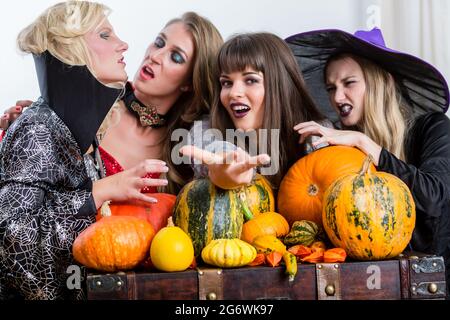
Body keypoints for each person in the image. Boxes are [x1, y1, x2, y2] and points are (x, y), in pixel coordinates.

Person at [0, 1, 168, 300]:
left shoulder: (85, 134)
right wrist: (98, 192)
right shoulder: (37, 128)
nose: (124, 45)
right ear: (69, 51)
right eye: (105, 35)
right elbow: (11, 240)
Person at [288, 28, 450, 295]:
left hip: (433, 286)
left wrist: (365, 144)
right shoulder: (339, 150)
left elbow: (434, 196)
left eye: (348, 83)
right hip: (369, 285)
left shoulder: (432, 128)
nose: (338, 97)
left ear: (381, 81)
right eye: (331, 88)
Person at [1, 12, 223, 196]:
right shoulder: (90, 101)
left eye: (176, 57)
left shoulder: (185, 146)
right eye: (159, 43)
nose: (156, 56)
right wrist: (26, 128)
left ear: (190, 83)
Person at [180, 32, 328, 192]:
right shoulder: (204, 130)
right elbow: (217, 151)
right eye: (227, 83)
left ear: (280, 86)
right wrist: (228, 166)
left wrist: (360, 140)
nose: (233, 93)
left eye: (250, 80)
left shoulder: (317, 134)